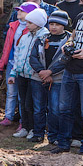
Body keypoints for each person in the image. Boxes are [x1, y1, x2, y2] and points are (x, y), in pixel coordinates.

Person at [50, 0, 83, 155]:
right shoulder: (81, 16)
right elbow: (73, 38)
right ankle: (63, 144)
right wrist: (67, 45)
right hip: (70, 69)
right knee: (65, 109)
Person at [31, 10, 71, 143]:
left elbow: (65, 59)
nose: (53, 27)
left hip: (58, 79)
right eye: (51, 24)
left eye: (57, 24)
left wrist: (50, 72)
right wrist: (42, 71)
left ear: (64, 25)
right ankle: (38, 134)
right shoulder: (42, 38)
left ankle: (53, 136)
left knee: (55, 109)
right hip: (38, 77)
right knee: (38, 108)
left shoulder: (69, 40)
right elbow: (33, 57)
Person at [10, 8, 49, 141]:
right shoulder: (25, 36)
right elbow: (18, 54)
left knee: (34, 105)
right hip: (23, 74)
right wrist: (14, 71)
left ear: (38, 23)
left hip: (36, 76)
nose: (26, 25)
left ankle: (35, 129)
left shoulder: (44, 36)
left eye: (30, 23)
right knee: (23, 104)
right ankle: (25, 127)